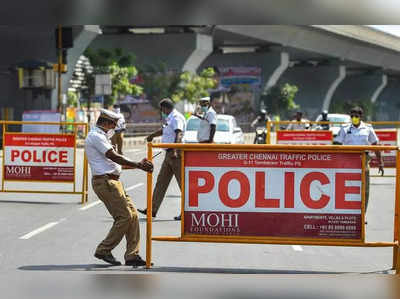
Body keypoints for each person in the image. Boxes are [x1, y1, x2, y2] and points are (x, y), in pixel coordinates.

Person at [85, 109, 154, 266]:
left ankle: (132, 255)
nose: (115, 127)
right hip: (106, 183)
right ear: (106, 123)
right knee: (124, 217)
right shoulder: (96, 136)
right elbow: (113, 156)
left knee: (134, 215)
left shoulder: (103, 136)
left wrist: (139, 165)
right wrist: (138, 164)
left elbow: (115, 164)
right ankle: (103, 250)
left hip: (113, 182)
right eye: (113, 124)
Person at [137, 98, 186, 221]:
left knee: (183, 185)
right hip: (168, 154)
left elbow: (178, 133)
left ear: (165, 108)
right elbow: (165, 130)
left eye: (162, 109)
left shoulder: (176, 117)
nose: (161, 111)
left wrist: (175, 149)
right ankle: (152, 209)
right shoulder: (170, 118)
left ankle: (186, 212)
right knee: (161, 182)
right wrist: (152, 135)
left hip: (176, 154)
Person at [333, 106, 384, 214]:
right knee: (346, 188)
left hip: (363, 161)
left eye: (356, 116)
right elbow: (337, 144)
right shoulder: (345, 128)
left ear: (361, 116)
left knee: (364, 189)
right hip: (348, 161)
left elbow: (375, 145)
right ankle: (348, 214)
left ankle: (362, 215)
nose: (354, 118)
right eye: (352, 116)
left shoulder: (368, 128)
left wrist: (380, 162)